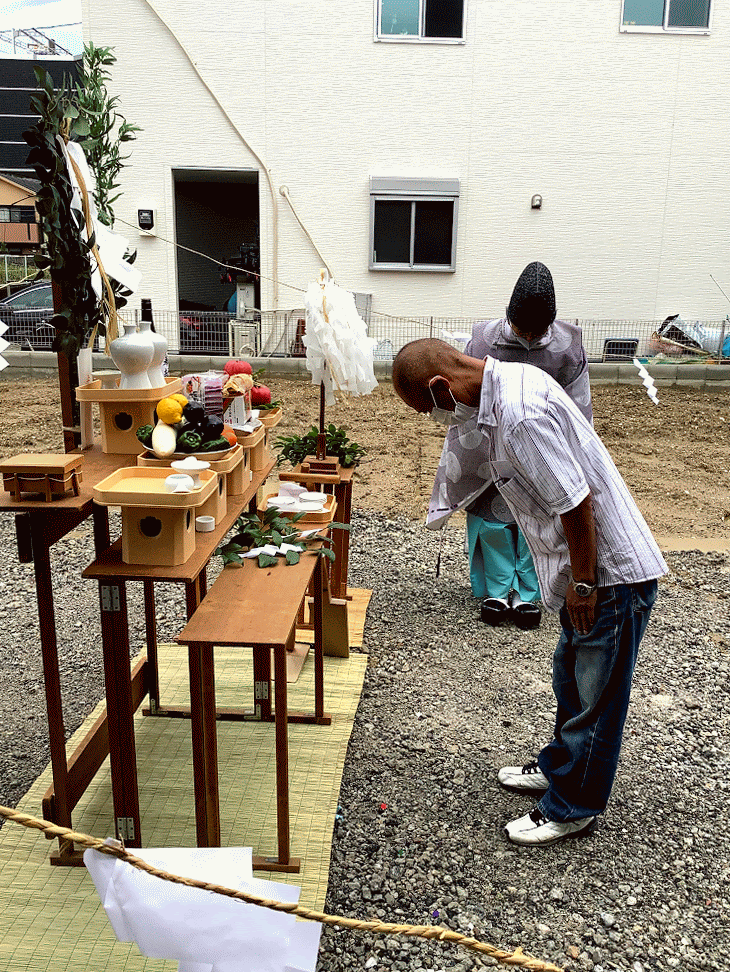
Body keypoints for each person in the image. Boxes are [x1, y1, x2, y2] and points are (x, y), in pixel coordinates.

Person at [392, 338, 667, 846]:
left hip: (609, 575)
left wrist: (584, 584)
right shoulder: (513, 381)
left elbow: (576, 501)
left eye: (428, 409)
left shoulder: (518, 416)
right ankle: (561, 767)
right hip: (586, 572)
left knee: (597, 699)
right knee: (572, 678)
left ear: (440, 386)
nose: (437, 418)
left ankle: (573, 805)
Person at [432, 261, 592, 629]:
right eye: (523, 329)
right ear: (510, 315)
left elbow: (579, 405)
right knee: (493, 517)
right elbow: (466, 392)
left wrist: (576, 454)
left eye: (540, 331)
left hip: (544, 449)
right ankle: (496, 589)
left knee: (540, 516)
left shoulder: (569, 346)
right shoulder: (482, 339)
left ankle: (529, 592)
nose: (531, 338)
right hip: (491, 444)